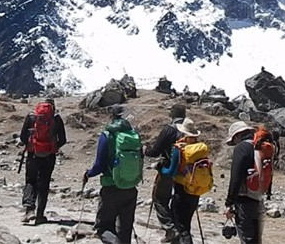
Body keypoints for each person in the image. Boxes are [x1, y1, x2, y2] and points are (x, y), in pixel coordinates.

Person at [83, 107, 145, 244]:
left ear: (111, 116)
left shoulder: (107, 135)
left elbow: (99, 165)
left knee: (103, 227)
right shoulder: (134, 135)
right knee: (125, 228)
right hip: (130, 187)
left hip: (111, 187)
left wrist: (88, 173)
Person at [19, 98, 68, 224]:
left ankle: (29, 210)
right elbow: (62, 139)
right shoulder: (56, 118)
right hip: (49, 157)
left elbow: (23, 136)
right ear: (53, 107)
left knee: (30, 181)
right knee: (44, 184)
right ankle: (40, 215)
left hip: (33, 154)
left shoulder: (32, 117)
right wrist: (53, 147)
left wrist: (32, 146)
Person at [223, 121, 273, 243]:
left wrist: (229, 202)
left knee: (247, 238)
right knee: (255, 239)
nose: (234, 143)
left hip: (244, 199)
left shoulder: (242, 147)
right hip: (258, 198)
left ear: (237, 136)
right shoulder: (259, 146)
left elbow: (236, 177)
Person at [145, 104, 189, 239]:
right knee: (178, 202)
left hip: (168, 170)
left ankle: (171, 229)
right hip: (187, 174)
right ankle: (181, 232)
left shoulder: (168, 130)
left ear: (172, 114)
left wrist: (145, 150)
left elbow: (155, 151)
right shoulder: (190, 131)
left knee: (160, 199)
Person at [170, 119, 213, 244]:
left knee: (181, 227)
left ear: (185, 134)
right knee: (186, 223)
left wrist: (161, 168)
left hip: (181, 190)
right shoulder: (201, 150)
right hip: (196, 191)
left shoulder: (180, 150)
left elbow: (171, 172)